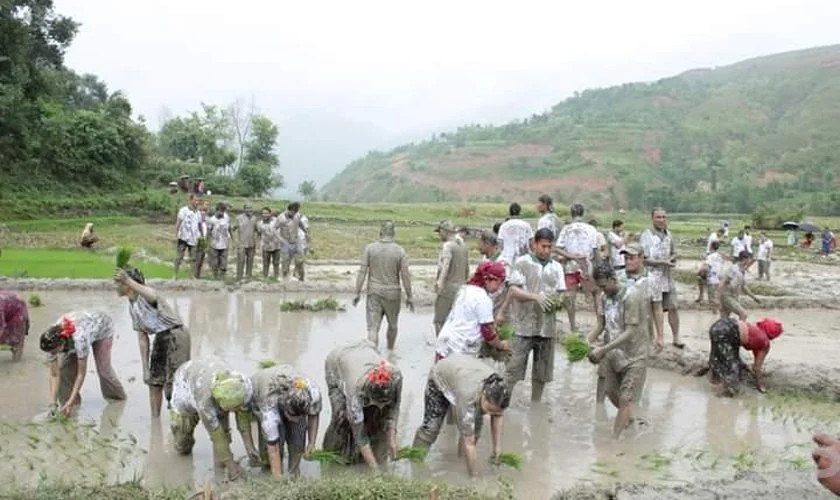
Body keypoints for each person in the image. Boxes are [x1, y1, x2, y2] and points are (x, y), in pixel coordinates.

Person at [412, 355, 512, 476]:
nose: (491, 414)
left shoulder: (500, 389)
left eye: (495, 411)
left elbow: (498, 415)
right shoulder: (468, 396)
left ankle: (459, 462)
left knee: (475, 432)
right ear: (484, 395)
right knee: (431, 428)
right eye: (489, 410)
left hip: (463, 375)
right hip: (440, 377)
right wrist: (474, 476)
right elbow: (469, 442)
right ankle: (414, 463)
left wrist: (497, 450)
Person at [114, 267, 191, 417]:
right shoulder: (132, 305)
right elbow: (142, 338)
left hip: (176, 334)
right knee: (154, 381)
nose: (115, 286)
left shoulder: (145, 295)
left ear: (127, 285)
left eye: (118, 283)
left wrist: (127, 279)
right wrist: (145, 369)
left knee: (174, 384)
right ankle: (155, 422)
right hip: (161, 336)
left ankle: (179, 421)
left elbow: (153, 295)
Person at [503, 228, 566, 403]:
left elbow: (561, 293)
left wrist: (558, 302)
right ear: (534, 245)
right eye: (543, 246)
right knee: (512, 369)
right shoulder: (523, 262)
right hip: (523, 326)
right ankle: (502, 403)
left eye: (549, 247)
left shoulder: (557, 267)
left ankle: (535, 404)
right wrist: (535, 297)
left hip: (547, 328)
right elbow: (514, 289)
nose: (546, 250)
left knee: (542, 373)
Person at [588, 263, 650, 438]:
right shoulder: (603, 297)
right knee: (610, 392)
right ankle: (630, 420)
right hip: (614, 353)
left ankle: (615, 440)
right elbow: (601, 325)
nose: (602, 290)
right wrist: (587, 341)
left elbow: (630, 332)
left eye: (603, 286)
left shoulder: (631, 296)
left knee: (625, 398)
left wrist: (603, 349)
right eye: (599, 287)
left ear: (613, 279)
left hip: (635, 354)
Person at [169, 358, 259, 479]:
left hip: (213, 371)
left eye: (237, 408)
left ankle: (220, 470)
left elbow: (243, 422)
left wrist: (250, 448)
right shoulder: (205, 402)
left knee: (225, 434)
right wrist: (233, 468)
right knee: (182, 445)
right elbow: (217, 437)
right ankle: (225, 463)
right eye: (231, 410)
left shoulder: (243, 386)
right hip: (185, 385)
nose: (235, 412)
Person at [322, 340, 402, 469]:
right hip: (337, 361)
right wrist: (374, 468)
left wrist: (392, 439)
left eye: (384, 403)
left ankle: (370, 455)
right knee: (341, 417)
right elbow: (359, 432)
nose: (381, 407)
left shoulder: (396, 376)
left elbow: (394, 408)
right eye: (377, 403)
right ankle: (333, 456)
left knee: (378, 418)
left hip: (366, 348)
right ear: (367, 395)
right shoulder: (355, 389)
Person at [39, 312, 126, 416]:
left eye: (54, 351)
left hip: (102, 329)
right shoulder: (50, 342)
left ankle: (118, 400)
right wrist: (52, 403)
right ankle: (71, 406)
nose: (52, 354)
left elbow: (81, 374)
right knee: (63, 371)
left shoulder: (80, 339)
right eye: (50, 352)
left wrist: (69, 402)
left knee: (104, 372)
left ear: (62, 343)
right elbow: (54, 374)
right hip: (75, 334)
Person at [248, 364, 321, 479]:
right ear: (283, 408)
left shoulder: (312, 393)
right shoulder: (269, 406)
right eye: (292, 416)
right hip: (263, 389)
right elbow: (273, 446)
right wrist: (278, 479)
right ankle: (268, 468)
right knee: (276, 443)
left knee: (298, 439)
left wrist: (312, 442)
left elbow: (314, 414)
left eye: (300, 416)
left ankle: (294, 473)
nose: (296, 419)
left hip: (291, 384)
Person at [353, 221, 414, 351]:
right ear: (393, 234)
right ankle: (390, 353)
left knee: (373, 328)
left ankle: (372, 357)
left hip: (374, 291)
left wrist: (356, 292)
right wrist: (410, 296)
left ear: (380, 232)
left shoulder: (370, 248)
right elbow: (405, 275)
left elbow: (362, 271)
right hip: (393, 293)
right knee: (392, 325)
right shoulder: (400, 251)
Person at [435, 261, 511, 360]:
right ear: (487, 280)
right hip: (460, 349)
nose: (499, 287)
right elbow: (488, 333)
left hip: (445, 343)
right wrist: (501, 345)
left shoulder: (466, 289)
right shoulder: (482, 299)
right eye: (499, 282)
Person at [640, 207, 682, 349]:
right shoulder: (647, 235)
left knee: (674, 306)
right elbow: (643, 259)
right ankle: (659, 338)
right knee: (655, 308)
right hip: (653, 275)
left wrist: (673, 258)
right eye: (658, 217)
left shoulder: (669, 234)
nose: (661, 220)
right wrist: (662, 262)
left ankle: (676, 337)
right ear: (652, 218)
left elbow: (674, 252)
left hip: (667, 275)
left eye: (664, 217)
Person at [554, 203, 600, 333]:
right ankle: (600, 324)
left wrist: (571, 256)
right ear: (582, 213)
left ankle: (573, 326)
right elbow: (595, 251)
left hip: (570, 266)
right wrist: (600, 267)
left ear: (572, 213)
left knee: (570, 297)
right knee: (595, 293)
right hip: (586, 265)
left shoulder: (567, 229)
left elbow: (557, 248)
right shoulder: (591, 229)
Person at [707, 317, 782, 395]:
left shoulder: (753, 329)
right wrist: (760, 385)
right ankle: (716, 395)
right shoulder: (765, 343)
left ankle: (712, 380)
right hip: (729, 333)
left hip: (719, 325)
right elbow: (757, 367)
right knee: (733, 373)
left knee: (717, 359)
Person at [433, 220, 470, 336]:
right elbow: (467, 268)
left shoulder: (448, 246)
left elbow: (446, 264)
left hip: (448, 288)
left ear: (444, 231)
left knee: (439, 321)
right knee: (456, 322)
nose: (439, 235)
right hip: (461, 289)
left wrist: (440, 282)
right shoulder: (463, 245)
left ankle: (441, 346)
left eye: (439, 232)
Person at [719, 250, 761, 321]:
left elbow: (744, 287)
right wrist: (718, 299)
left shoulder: (742, 270)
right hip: (727, 296)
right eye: (750, 259)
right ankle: (741, 331)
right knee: (743, 314)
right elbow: (722, 283)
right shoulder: (734, 269)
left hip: (734, 296)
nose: (751, 261)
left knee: (724, 318)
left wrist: (754, 297)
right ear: (744, 259)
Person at [174, 194, 202, 279]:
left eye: (198, 201)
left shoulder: (198, 213)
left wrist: (202, 235)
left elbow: (199, 225)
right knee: (179, 256)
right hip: (183, 237)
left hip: (193, 238)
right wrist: (175, 234)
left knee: (193, 257)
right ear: (190, 200)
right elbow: (178, 222)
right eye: (195, 200)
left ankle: (192, 276)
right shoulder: (183, 210)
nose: (197, 202)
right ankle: (175, 274)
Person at [0, 291, 28, 361]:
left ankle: (17, 359)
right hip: (8, 304)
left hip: (18, 310)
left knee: (16, 340)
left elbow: (1, 326)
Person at [277, 203, 303, 280]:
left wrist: (306, 231)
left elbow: (300, 223)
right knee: (285, 261)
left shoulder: (297, 215)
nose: (294, 213)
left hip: (295, 241)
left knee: (299, 260)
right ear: (289, 210)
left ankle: (298, 275)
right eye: (293, 212)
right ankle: (285, 277)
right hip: (285, 242)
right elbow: (274, 228)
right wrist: (279, 238)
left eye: (296, 212)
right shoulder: (281, 217)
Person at [206, 202, 231, 279]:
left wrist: (233, 239)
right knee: (214, 261)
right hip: (214, 244)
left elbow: (229, 228)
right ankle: (215, 276)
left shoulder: (226, 217)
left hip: (224, 243)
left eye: (223, 211)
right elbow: (209, 232)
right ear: (217, 211)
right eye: (221, 211)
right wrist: (207, 242)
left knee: (224, 261)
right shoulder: (212, 220)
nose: (222, 213)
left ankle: (222, 276)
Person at [233, 203, 258, 281]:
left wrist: (257, 240)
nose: (249, 210)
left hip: (251, 243)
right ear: (244, 209)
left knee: (250, 261)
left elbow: (257, 230)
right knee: (241, 260)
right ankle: (239, 277)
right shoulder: (239, 218)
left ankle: (248, 276)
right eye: (247, 208)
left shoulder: (254, 218)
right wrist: (234, 240)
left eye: (250, 208)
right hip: (241, 243)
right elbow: (233, 228)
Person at [697, 241, 725, 311]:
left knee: (712, 299)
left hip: (712, 279)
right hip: (719, 279)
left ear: (711, 247)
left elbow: (706, 268)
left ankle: (723, 308)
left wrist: (700, 273)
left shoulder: (710, 256)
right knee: (714, 297)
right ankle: (716, 311)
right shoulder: (720, 256)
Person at [256, 207, 281, 280]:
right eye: (263, 213)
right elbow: (259, 234)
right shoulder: (259, 223)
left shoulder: (276, 221)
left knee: (276, 263)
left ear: (270, 214)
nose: (265, 215)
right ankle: (265, 277)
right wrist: (257, 245)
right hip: (266, 246)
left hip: (276, 245)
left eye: (266, 213)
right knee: (266, 263)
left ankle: (276, 277)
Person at [295, 212, 310, 281]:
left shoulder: (304, 220)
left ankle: (301, 277)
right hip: (294, 243)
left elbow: (307, 232)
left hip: (302, 243)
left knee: (300, 261)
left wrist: (309, 244)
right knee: (297, 261)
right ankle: (296, 273)